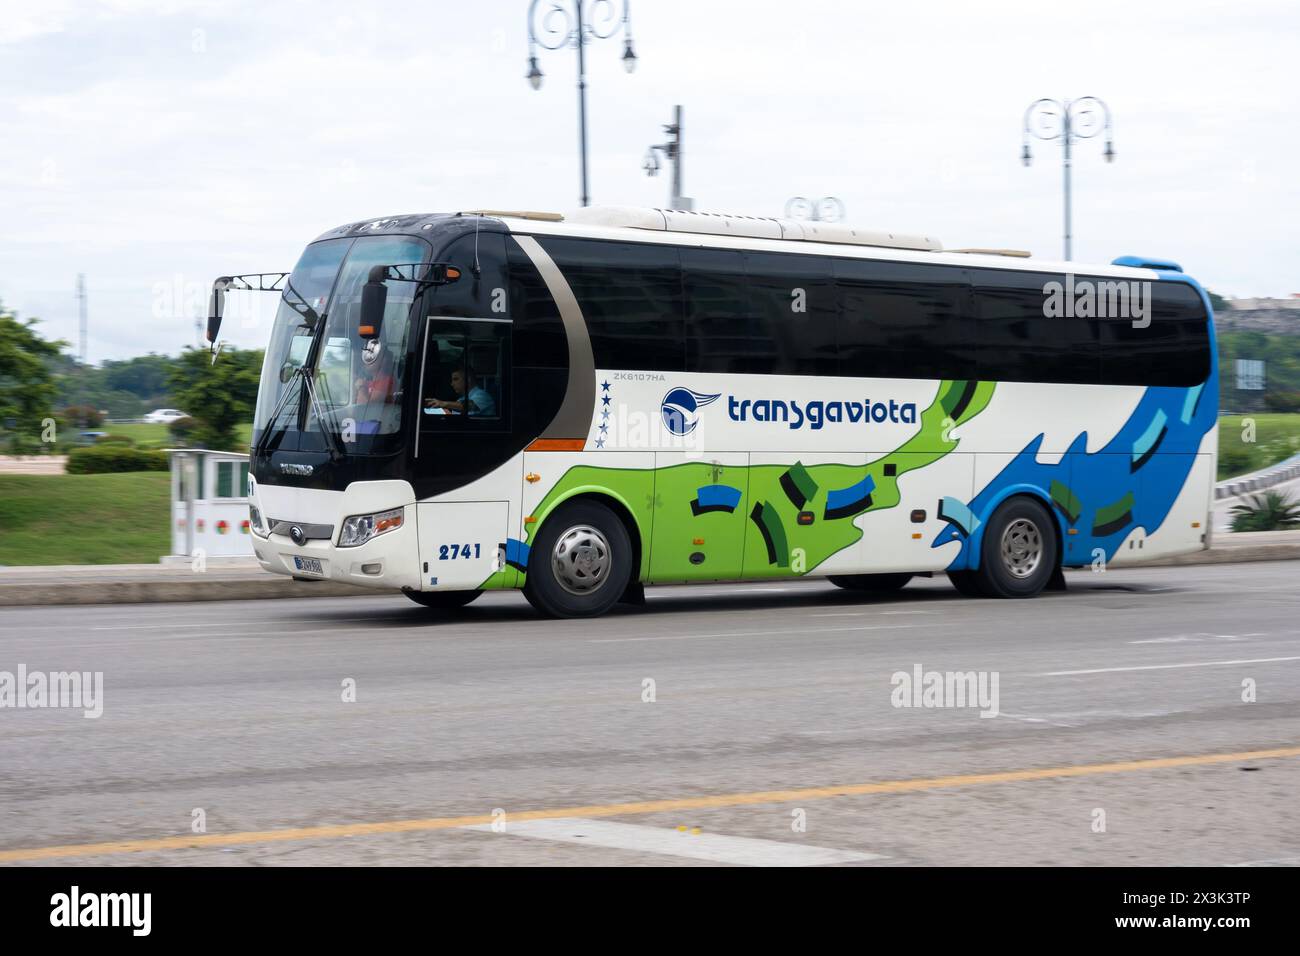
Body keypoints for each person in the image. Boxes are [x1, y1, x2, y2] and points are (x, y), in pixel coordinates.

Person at [425, 367, 496, 417]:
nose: (452, 384)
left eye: (456, 379)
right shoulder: (460, 400)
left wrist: (443, 403)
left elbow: (470, 406)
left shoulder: (483, 396)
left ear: (468, 379)